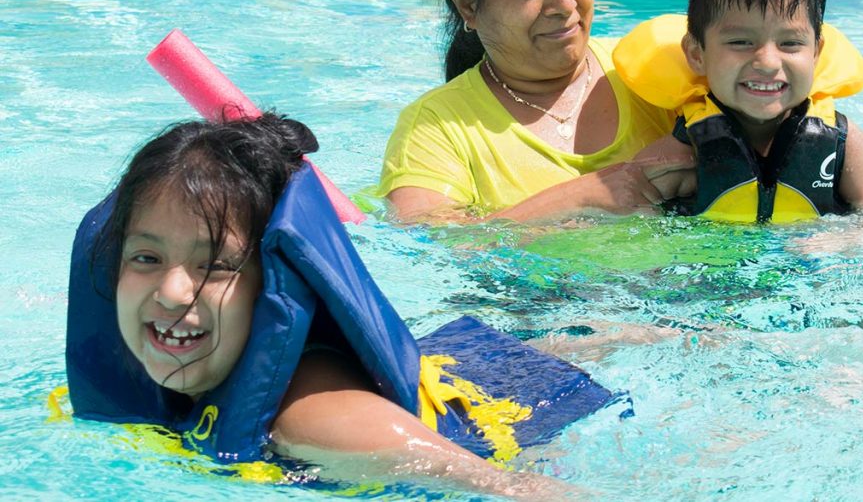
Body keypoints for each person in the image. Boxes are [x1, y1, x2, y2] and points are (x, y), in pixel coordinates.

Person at [64, 113, 621, 498]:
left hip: (530, 402)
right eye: (145, 258)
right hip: (471, 358)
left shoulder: (309, 419)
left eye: (215, 266)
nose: (172, 292)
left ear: (272, 286)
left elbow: (523, 492)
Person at [379, 0, 694, 222]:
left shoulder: (657, 69)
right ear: (468, 5)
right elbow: (428, 243)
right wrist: (580, 198)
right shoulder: (436, 128)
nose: (564, 3)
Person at [614, 0, 863, 223]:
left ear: (817, 52)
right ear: (697, 54)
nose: (767, 62)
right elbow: (627, 223)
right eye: (741, 42)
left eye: (789, 44)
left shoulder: (843, 143)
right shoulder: (680, 152)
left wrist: (844, 241)